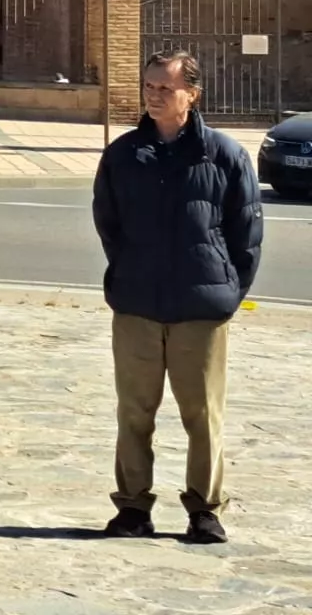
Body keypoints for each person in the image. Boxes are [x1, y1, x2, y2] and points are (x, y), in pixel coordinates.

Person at [93, 50, 262, 544]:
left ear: (192, 93)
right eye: (149, 86)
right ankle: (132, 508)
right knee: (134, 412)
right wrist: (126, 274)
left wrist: (228, 291)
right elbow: (109, 224)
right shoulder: (124, 154)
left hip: (200, 310)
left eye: (165, 88)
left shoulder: (225, 156)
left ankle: (205, 510)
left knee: (203, 416)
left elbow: (246, 234)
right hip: (138, 306)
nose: (154, 95)